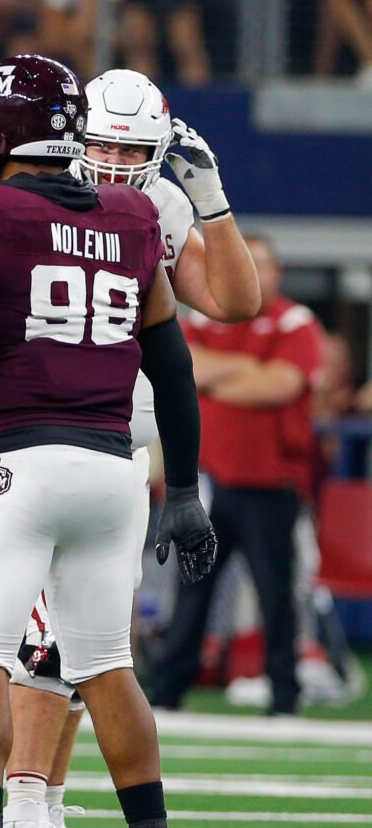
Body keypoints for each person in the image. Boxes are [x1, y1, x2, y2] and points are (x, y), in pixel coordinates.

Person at [0, 54, 217, 828]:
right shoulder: (133, 212)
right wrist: (182, 488)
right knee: (108, 665)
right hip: (116, 469)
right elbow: (173, 366)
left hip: (17, 464)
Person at [1, 67, 260, 828]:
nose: (114, 162)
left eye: (132, 148)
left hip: (127, 443)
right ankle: (17, 812)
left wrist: (211, 198)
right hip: (55, 424)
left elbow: (233, 303)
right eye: (102, 142)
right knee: (47, 638)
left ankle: (46, 808)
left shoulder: (167, 206)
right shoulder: (37, 192)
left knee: (92, 641)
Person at [146, 235, 325, 718]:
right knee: (191, 590)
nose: (255, 273)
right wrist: (247, 368)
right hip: (208, 482)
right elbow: (186, 369)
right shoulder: (206, 319)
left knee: (275, 594)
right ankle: (168, 692)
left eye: (263, 265)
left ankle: (283, 697)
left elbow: (280, 385)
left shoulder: (295, 321)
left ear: (276, 273)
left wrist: (222, 378)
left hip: (271, 483)